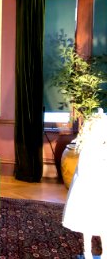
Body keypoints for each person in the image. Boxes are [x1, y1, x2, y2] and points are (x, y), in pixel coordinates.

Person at [62, 108, 107, 259]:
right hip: (88, 192)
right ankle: (87, 253)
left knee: (103, 226)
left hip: (102, 194)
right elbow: (82, 171)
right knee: (87, 226)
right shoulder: (87, 150)